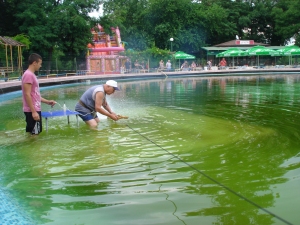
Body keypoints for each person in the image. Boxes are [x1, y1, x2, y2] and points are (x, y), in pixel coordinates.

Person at [22, 53, 56, 135]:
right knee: (34, 136)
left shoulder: (31, 75)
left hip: (34, 109)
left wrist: (47, 101)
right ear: (34, 63)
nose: (40, 66)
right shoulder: (28, 75)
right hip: (32, 110)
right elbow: (27, 94)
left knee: (33, 134)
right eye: (40, 63)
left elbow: (35, 95)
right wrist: (33, 111)